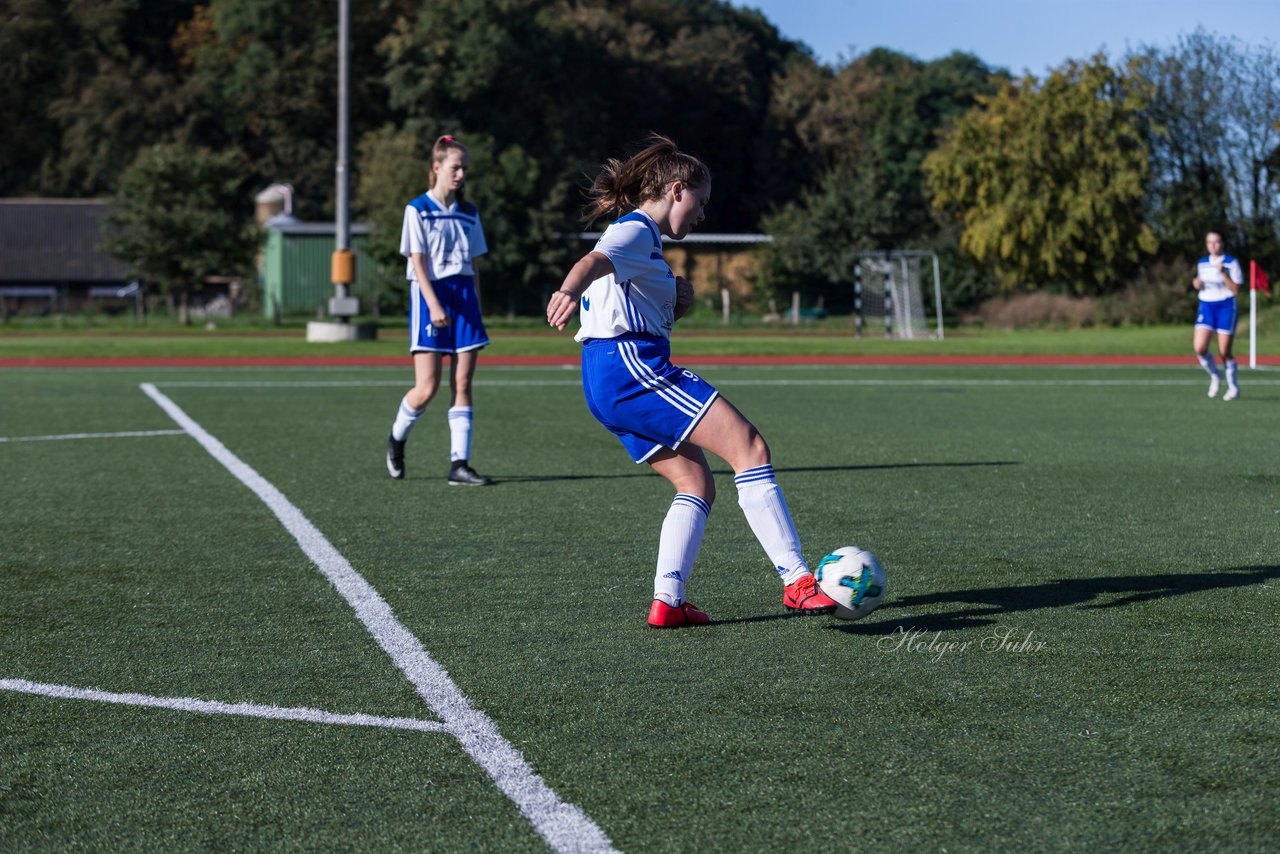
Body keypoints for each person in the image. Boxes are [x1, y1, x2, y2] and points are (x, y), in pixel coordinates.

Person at [545, 135, 838, 627]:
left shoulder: (649, 246)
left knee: (696, 483)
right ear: (677, 190)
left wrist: (674, 298)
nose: (702, 215)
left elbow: (624, 286)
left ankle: (668, 602)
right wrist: (567, 290)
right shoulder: (636, 229)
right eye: (699, 203)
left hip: (606, 378)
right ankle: (798, 581)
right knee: (750, 448)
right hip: (630, 367)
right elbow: (594, 261)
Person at [385, 134, 492, 485]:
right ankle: (397, 439)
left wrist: (476, 305)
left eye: (464, 168)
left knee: (462, 382)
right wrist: (432, 304)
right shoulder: (417, 209)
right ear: (437, 168)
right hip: (430, 295)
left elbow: (474, 265)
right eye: (455, 167)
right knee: (426, 387)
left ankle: (459, 464)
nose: (460, 174)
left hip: (464, 298)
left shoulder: (469, 213)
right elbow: (417, 262)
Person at [1192, 231, 1244, 401]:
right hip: (1206, 306)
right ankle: (1215, 375)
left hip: (1226, 306)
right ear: (1207, 244)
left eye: (1216, 242)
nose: (1213, 245)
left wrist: (1224, 274)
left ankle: (1233, 387)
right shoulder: (1202, 263)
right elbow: (1200, 283)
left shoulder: (1231, 263)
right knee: (1200, 348)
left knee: (1224, 351)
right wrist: (1196, 283)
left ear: (1222, 243)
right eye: (1210, 242)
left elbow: (1236, 290)